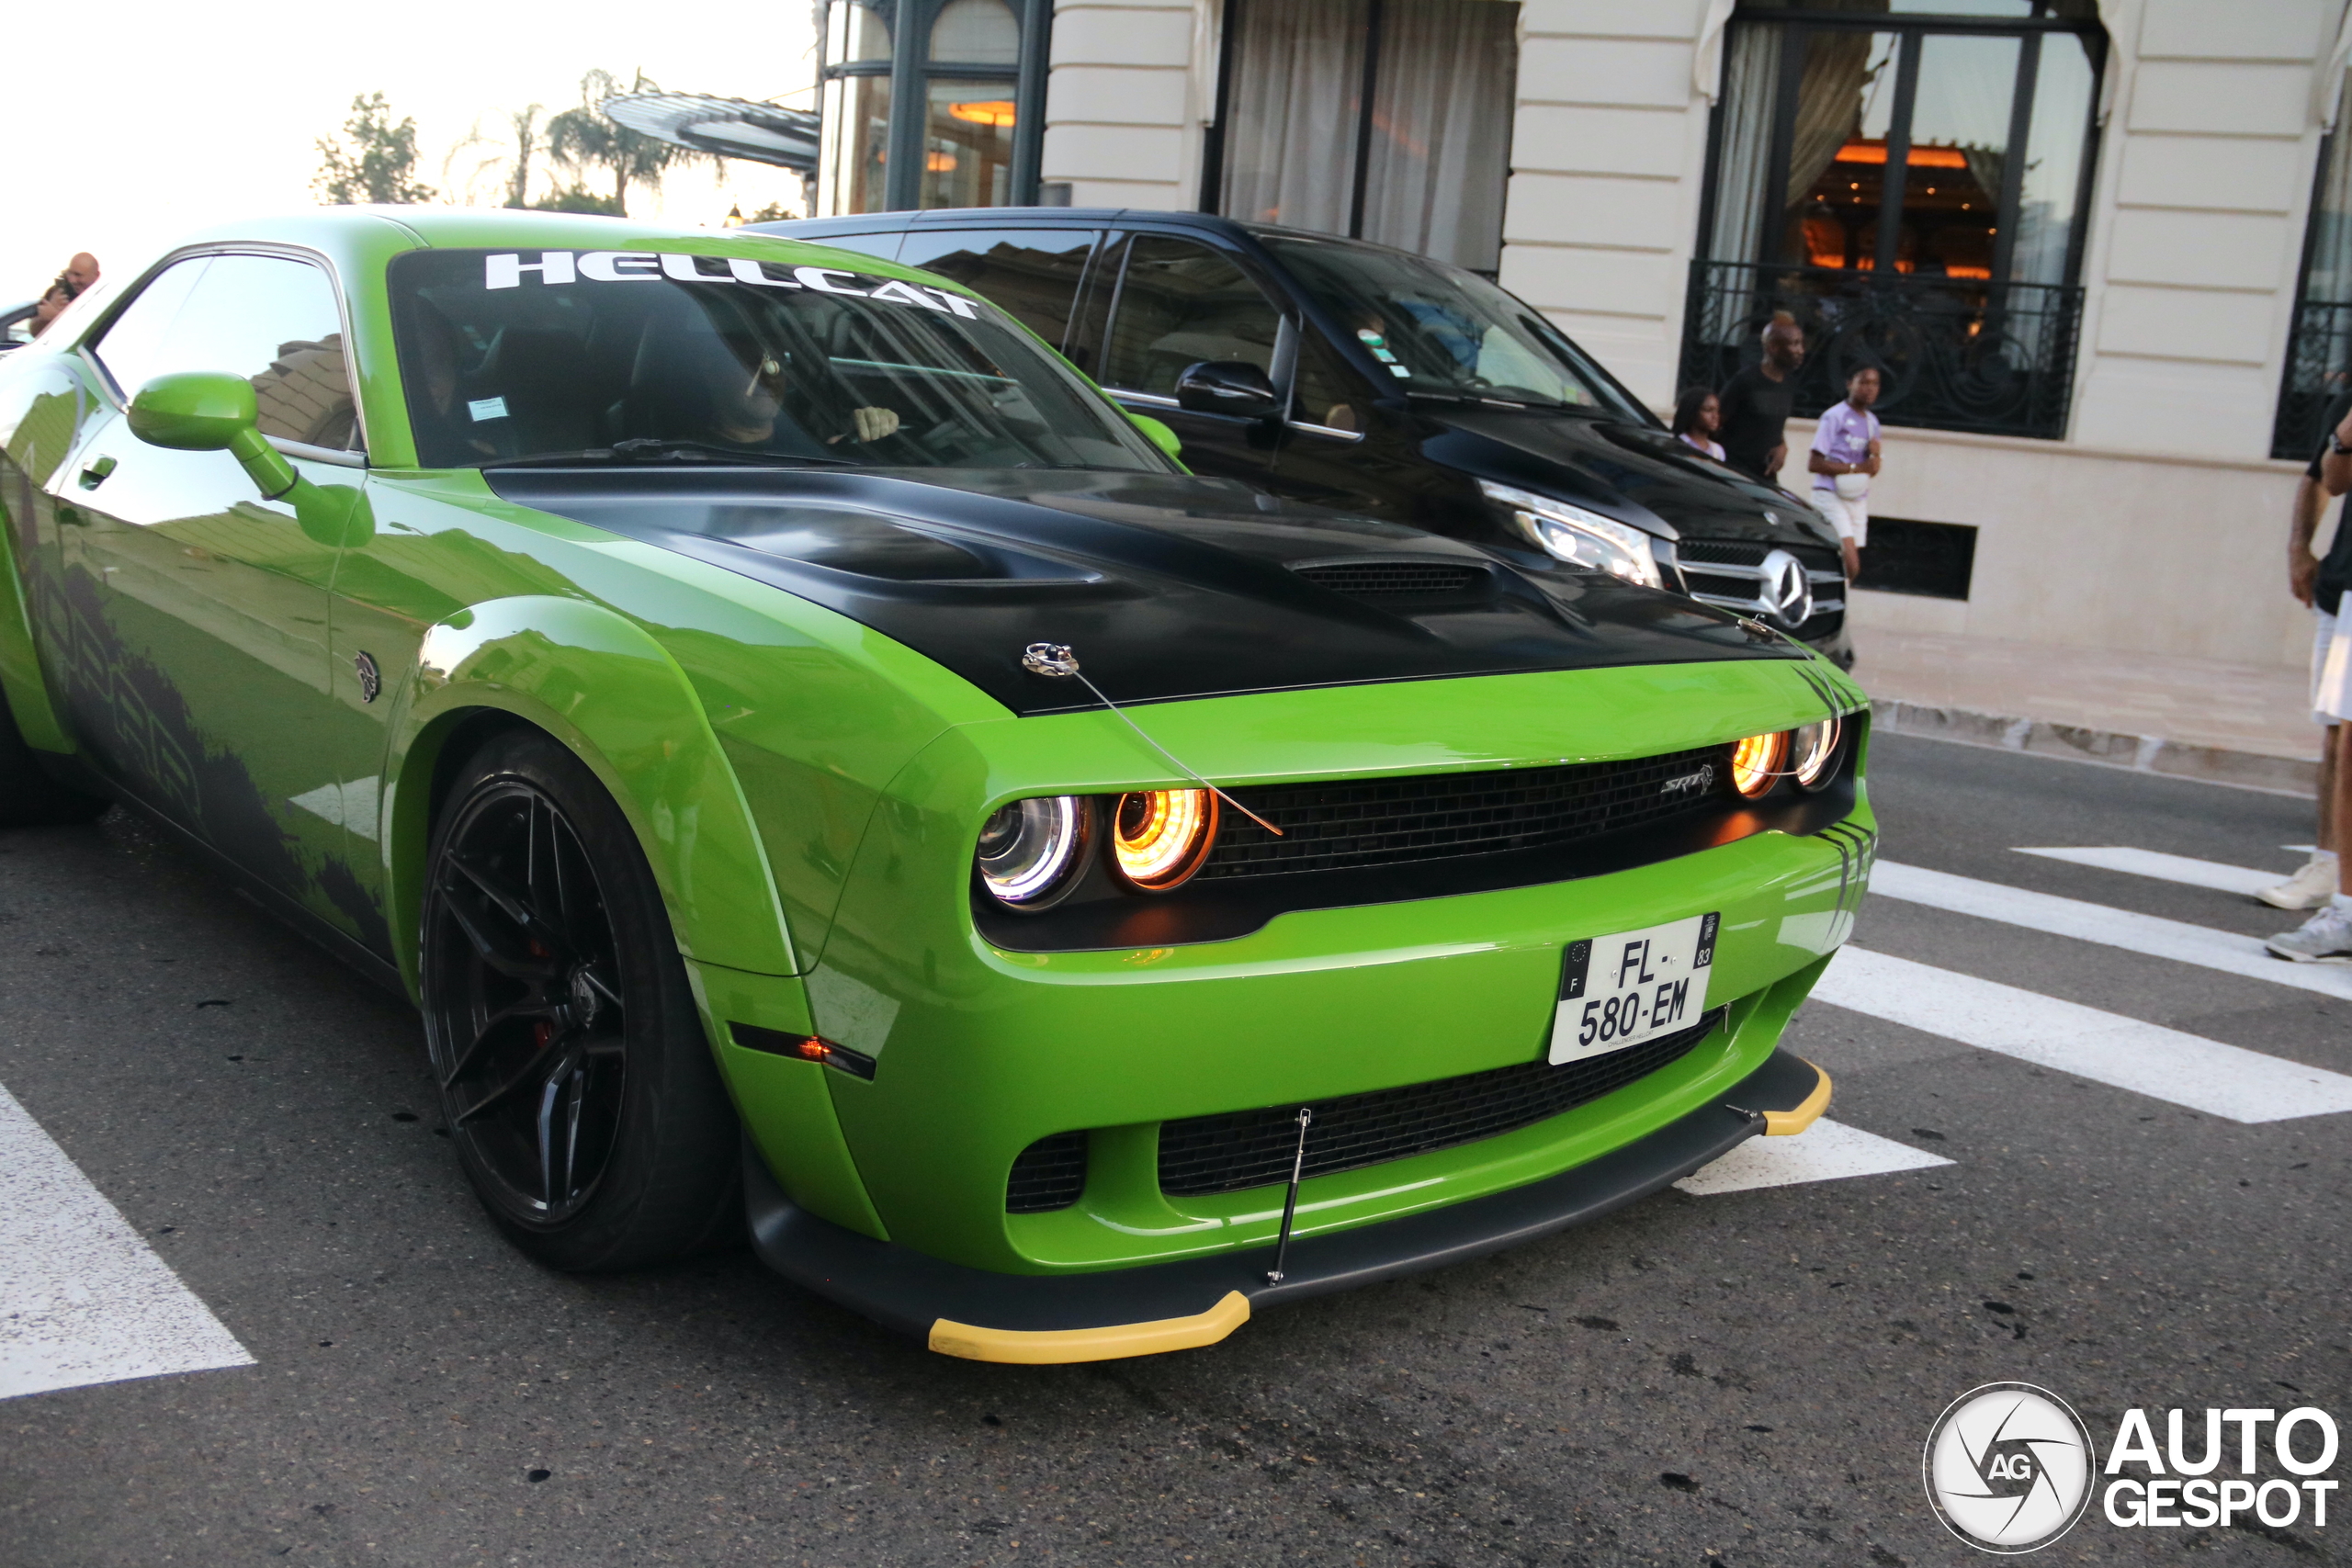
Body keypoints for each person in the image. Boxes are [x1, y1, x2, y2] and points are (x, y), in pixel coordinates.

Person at [2267, 394, 2352, 954]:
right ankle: (2335, 881)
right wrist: (2346, 437)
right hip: (2345, 594)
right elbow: (2330, 478)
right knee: (2342, 737)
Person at [1808, 363, 1882, 582]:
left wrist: (1876, 456)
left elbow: (1874, 469)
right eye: (1864, 382)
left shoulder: (1872, 422)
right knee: (1851, 565)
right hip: (1830, 494)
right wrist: (1856, 468)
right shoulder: (1835, 416)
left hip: (1857, 497)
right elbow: (1814, 463)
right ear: (1850, 384)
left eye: (1875, 384)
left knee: (1843, 567)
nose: (1869, 388)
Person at [1716, 311, 1804, 482]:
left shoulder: (1789, 384)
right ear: (1773, 347)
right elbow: (1715, 422)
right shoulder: (1745, 381)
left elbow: (1772, 424)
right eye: (1794, 344)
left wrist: (1783, 446)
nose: (1801, 351)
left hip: (1766, 477)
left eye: (1801, 344)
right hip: (1736, 475)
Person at [1670, 387, 1725, 461]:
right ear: (1693, 412)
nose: (1715, 416)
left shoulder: (1718, 451)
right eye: (1708, 410)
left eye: (1717, 411)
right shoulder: (1678, 444)